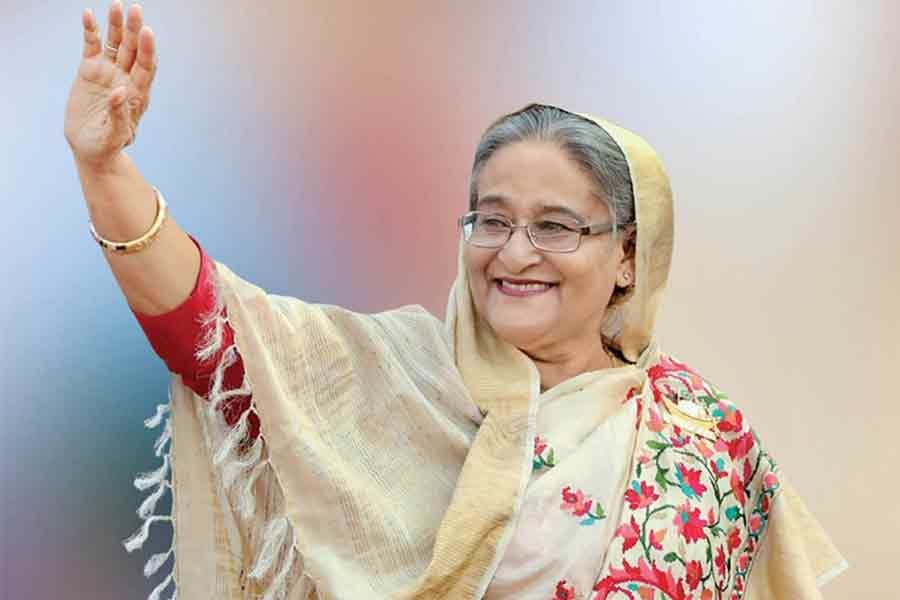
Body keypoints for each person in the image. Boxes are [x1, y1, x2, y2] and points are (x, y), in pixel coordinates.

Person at [66, 3, 847, 599]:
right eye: (493, 220)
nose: (514, 252)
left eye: (554, 227)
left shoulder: (704, 445)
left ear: (627, 256)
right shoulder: (389, 379)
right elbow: (212, 333)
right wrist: (105, 171)